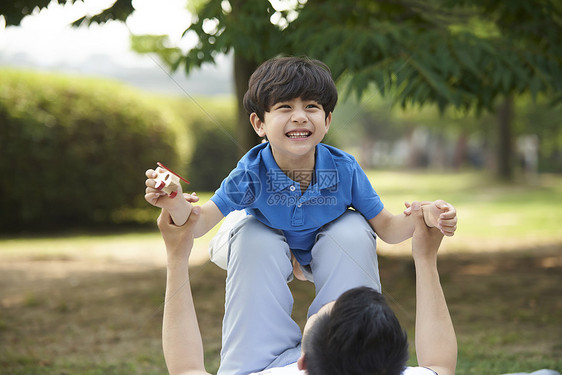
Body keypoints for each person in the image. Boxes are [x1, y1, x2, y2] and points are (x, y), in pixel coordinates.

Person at [145, 56, 458, 374]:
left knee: (349, 227)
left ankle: (343, 349)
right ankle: (341, 343)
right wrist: (175, 202)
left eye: (311, 106)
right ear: (259, 124)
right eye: (284, 107)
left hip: (320, 241)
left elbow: (389, 228)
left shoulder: (344, 169)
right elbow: (202, 221)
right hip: (265, 236)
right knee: (255, 233)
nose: (299, 117)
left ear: (327, 120)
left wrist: (423, 215)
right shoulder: (251, 172)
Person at [157, 201, 456, 375]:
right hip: (351, 363)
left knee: (255, 239)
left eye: (328, 308)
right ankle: (305, 249)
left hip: (255, 368)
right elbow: (439, 364)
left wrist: (176, 256)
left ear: (302, 363)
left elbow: (186, 369)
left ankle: (282, 242)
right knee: (350, 231)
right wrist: (426, 259)